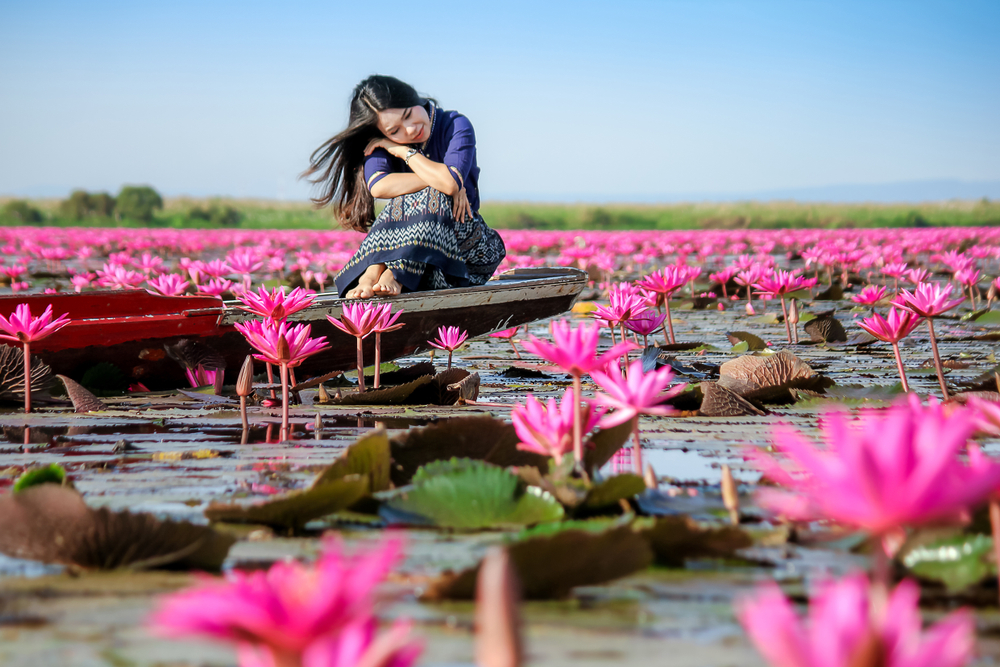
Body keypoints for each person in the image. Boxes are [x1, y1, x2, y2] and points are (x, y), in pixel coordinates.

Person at [303, 75, 506, 298]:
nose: (409, 130)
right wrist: (443, 180)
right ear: (383, 134)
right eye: (394, 131)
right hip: (422, 260)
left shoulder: (455, 124)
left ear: (413, 97)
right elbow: (379, 186)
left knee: (436, 194)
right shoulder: (380, 142)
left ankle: (391, 272)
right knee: (432, 190)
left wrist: (404, 152)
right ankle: (375, 273)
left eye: (408, 115)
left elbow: (448, 183)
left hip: (464, 255)